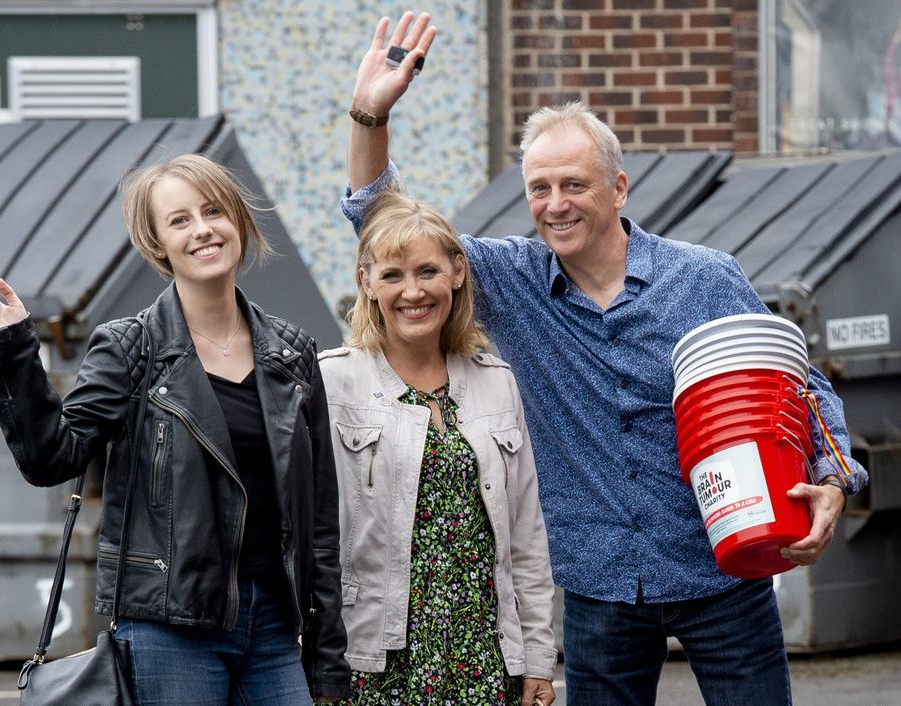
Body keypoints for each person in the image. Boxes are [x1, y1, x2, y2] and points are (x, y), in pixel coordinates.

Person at [339, 13, 870, 706]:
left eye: (574, 185)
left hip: (721, 570)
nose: (554, 205)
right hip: (600, 585)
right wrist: (368, 117)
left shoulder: (703, 279)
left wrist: (833, 477)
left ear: (618, 189)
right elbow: (388, 230)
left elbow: (799, 384)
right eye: (539, 188)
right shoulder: (511, 278)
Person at [0, 153, 350, 705]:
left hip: (273, 625)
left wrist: (327, 657)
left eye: (213, 211)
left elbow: (319, 521)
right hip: (170, 627)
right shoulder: (130, 348)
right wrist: (11, 348)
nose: (202, 230)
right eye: (179, 220)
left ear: (238, 220)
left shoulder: (291, 353)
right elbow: (52, 457)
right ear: (158, 244)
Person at [319, 190, 557, 706]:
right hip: (373, 660)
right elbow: (308, 539)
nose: (413, 292)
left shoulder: (499, 384)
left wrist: (538, 658)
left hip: (484, 658)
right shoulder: (333, 384)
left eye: (427, 271)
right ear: (367, 281)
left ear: (457, 272)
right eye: (393, 275)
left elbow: (527, 541)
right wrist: (316, 658)